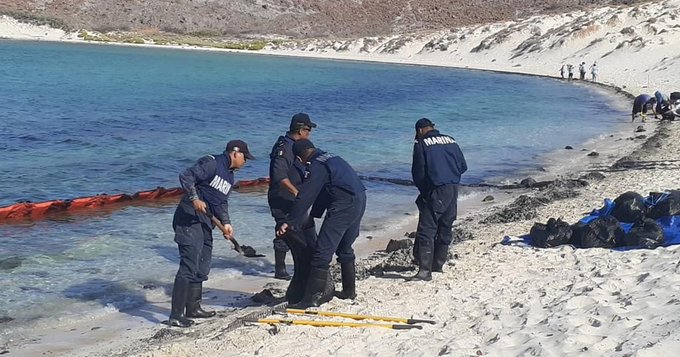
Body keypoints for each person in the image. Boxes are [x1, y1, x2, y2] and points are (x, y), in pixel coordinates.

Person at [168, 140, 254, 328]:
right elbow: (186, 176)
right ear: (234, 153)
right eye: (244, 157)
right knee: (189, 266)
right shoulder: (212, 163)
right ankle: (176, 314)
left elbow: (220, 203)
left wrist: (226, 223)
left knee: (202, 265)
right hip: (189, 219)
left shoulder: (230, 178)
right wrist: (194, 198)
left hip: (206, 222)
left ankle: (193, 308)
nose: (245, 162)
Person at [277, 139, 366, 308]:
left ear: (299, 158)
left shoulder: (315, 165)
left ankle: (312, 299)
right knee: (344, 248)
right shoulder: (330, 158)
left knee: (321, 252)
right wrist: (314, 216)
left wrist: (289, 222)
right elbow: (325, 192)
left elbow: (305, 195)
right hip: (359, 199)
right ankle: (349, 291)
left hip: (344, 205)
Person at [408, 118, 467, 281]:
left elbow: (418, 173)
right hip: (453, 188)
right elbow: (463, 166)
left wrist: (425, 192)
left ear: (420, 130)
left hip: (436, 189)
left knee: (427, 229)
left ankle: (425, 271)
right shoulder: (451, 140)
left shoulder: (421, 145)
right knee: (446, 225)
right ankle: (438, 265)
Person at [267, 113, 317, 281]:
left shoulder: (296, 146)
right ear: (301, 130)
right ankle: (280, 270)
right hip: (283, 197)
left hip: (297, 198)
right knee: (286, 231)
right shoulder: (284, 148)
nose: (309, 134)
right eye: (308, 130)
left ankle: (307, 263)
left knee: (306, 229)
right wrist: (297, 193)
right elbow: (279, 176)